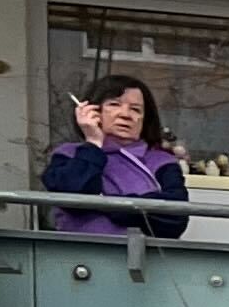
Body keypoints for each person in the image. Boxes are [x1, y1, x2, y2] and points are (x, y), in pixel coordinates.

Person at [41, 72, 193, 240]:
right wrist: (93, 142)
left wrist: (107, 205)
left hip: (146, 259)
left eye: (135, 109)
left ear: (145, 120)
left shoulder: (161, 162)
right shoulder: (68, 154)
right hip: (80, 258)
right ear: (93, 110)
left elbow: (175, 218)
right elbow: (73, 197)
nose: (125, 114)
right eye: (114, 104)